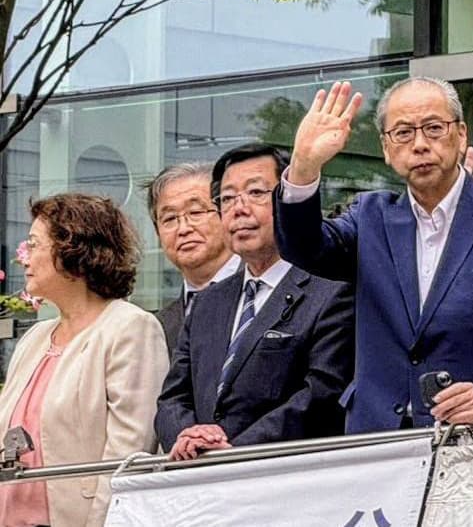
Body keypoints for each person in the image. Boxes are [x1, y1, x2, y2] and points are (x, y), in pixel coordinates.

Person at [276, 77, 473, 432]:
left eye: (434, 128)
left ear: (461, 135)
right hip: (378, 436)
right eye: (403, 133)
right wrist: (303, 167)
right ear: (386, 148)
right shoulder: (370, 217)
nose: (420, 144)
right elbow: (305, 247)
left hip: (469, 433)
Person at [155, 144, 354, 458]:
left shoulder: (330, 290)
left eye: (256, 193)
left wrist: (233, 451)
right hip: (204, 474)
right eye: (227, 199)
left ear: (288, 200)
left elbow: (322, 393)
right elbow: (172, 398)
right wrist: (189, 438)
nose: (239, 209)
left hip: (284, 471)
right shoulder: (208, 301)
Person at [0, 194, 168, 527]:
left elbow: (127, 456)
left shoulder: (130, 327)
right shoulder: (35, 337)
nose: (24, 257)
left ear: (73, 250)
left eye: (34, 244)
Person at [145, 162, 241, 355]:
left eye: (196, 212)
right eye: (169, 219)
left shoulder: (265, 290)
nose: (183, 228)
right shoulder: (157, 328)